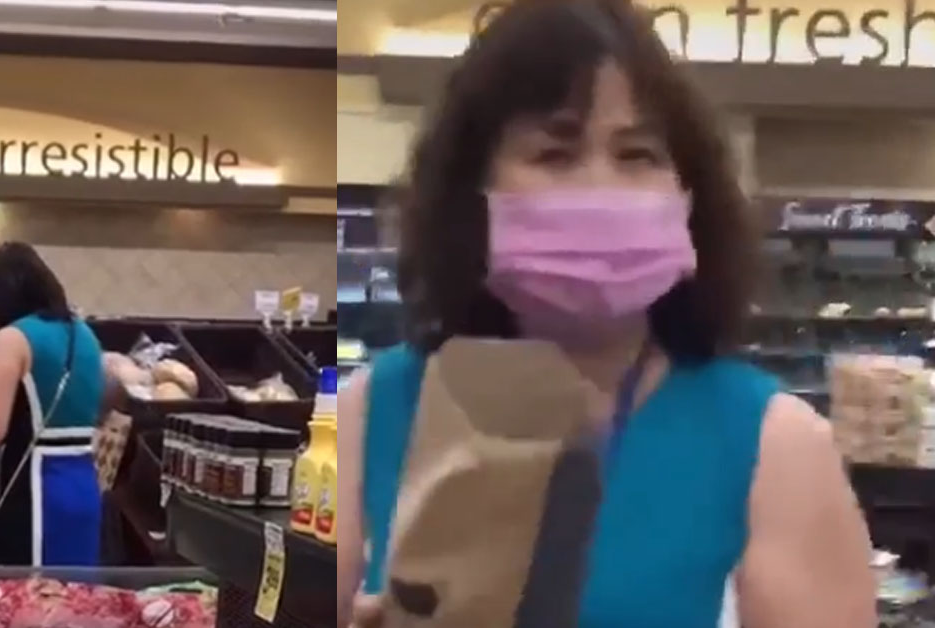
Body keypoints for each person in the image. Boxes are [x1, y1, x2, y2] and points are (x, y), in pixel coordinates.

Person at [337, 1, 876, 627]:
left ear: (687, 195)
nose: (601, 187)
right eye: (555, 154)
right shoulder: (369, 414)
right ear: (473, 195)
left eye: (638, 154)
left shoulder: (773, 443)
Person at [0, 241, 105, 567]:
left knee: (30, 600)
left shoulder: (13, 338)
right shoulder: (85, 334)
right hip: (84, 484)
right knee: (76, 600)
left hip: (37, 489)